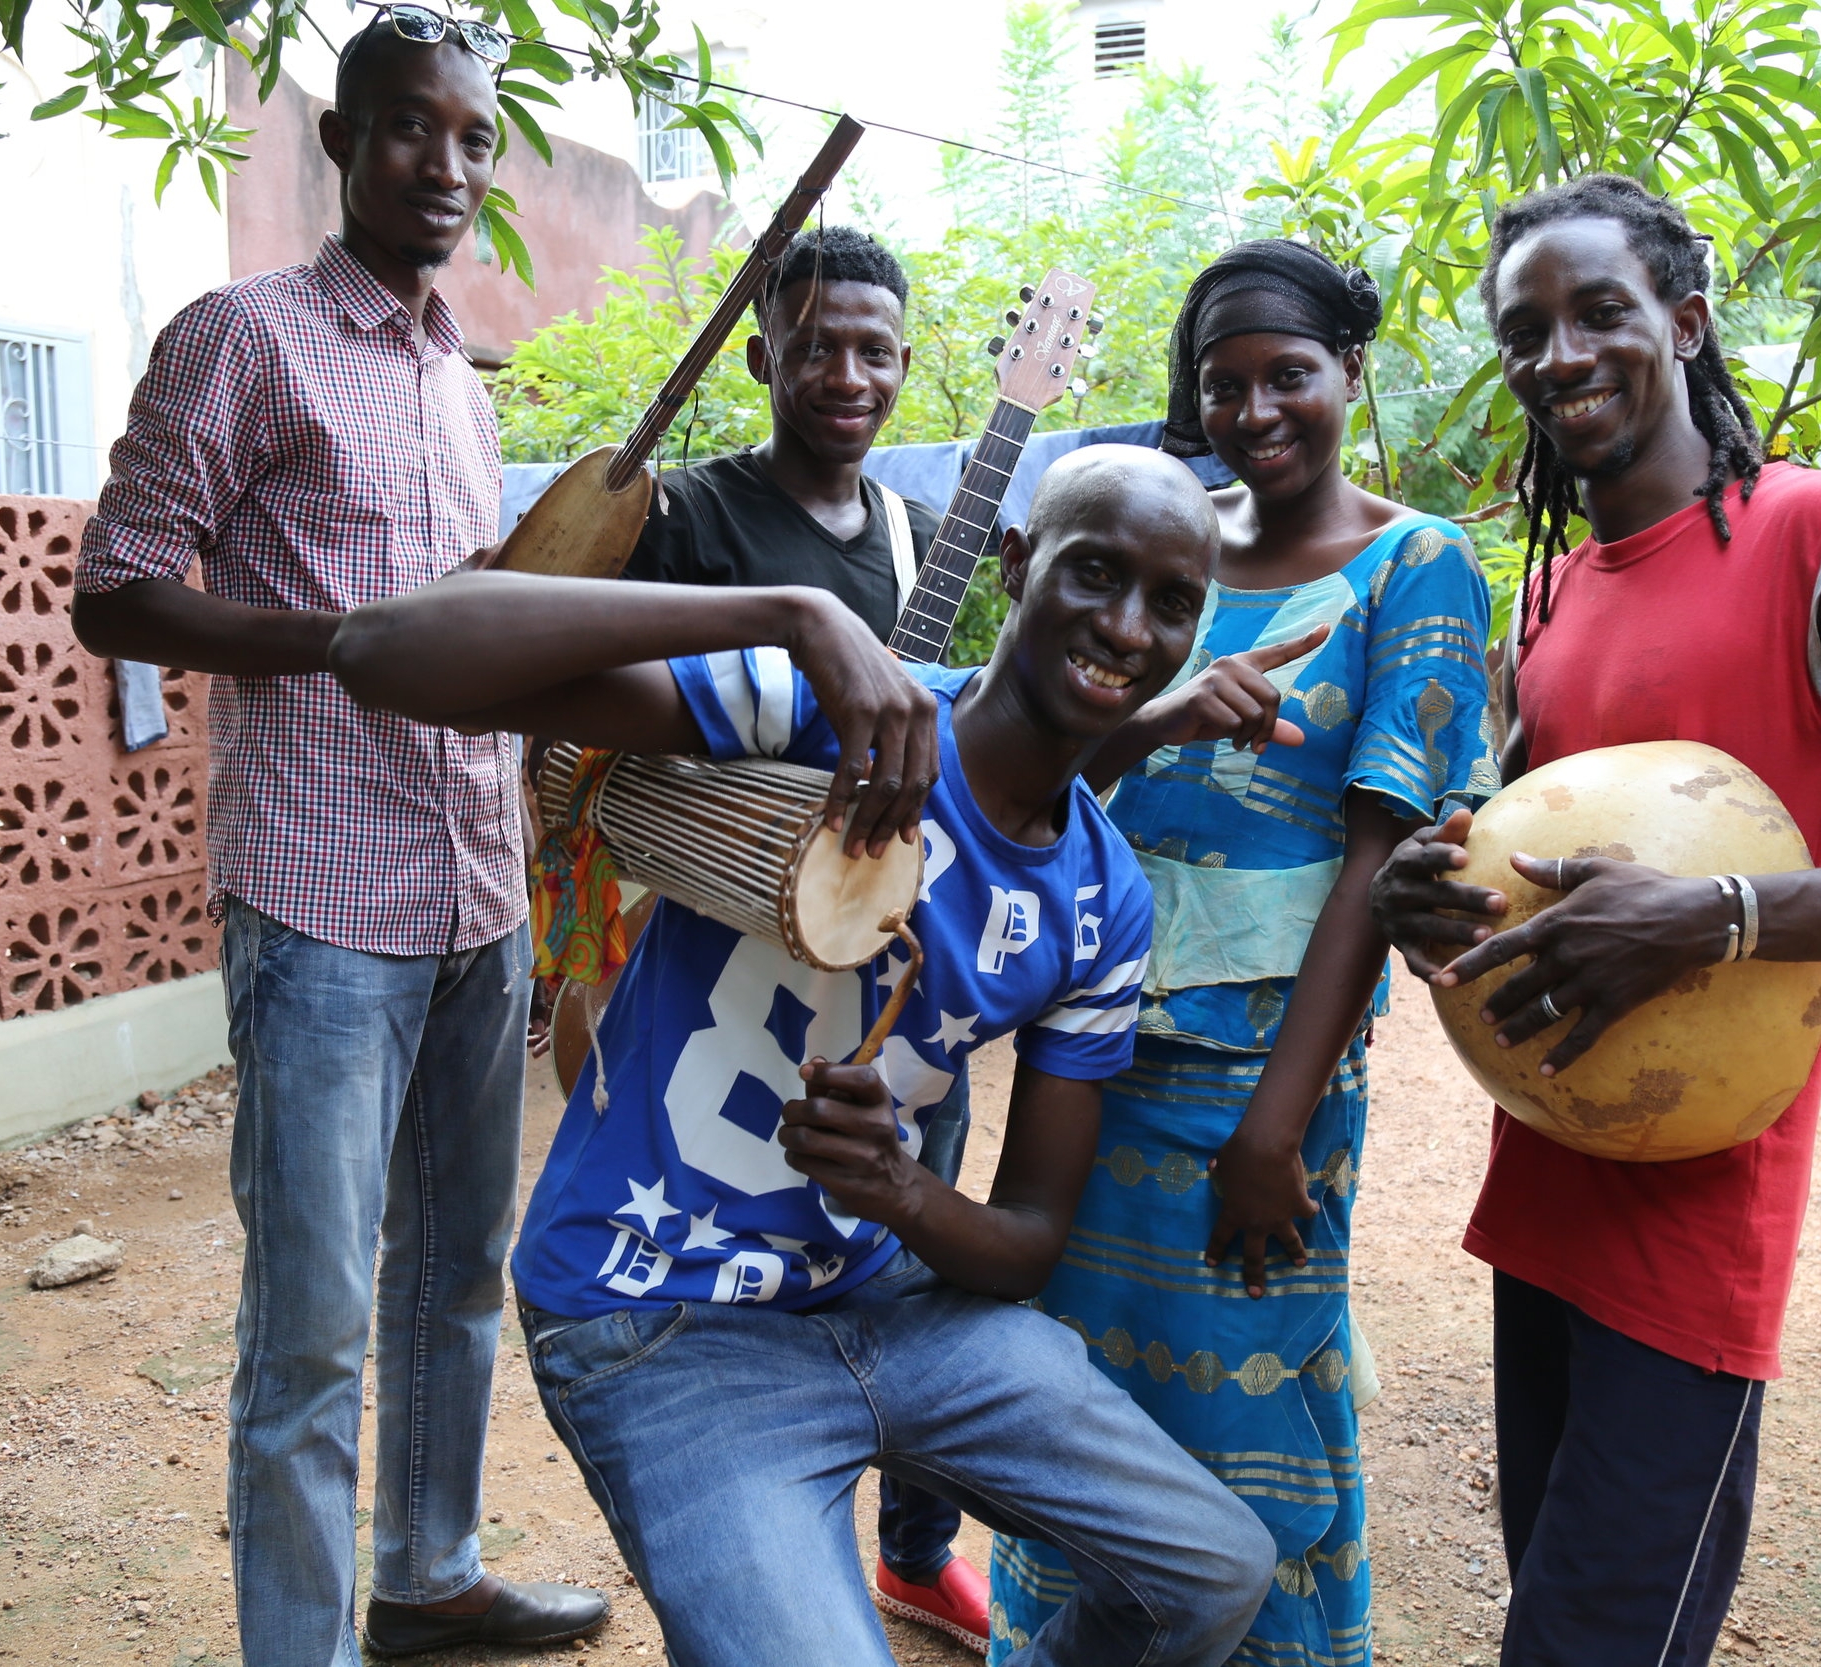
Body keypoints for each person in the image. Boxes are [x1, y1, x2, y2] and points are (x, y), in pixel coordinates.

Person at [328, 445, 1286, 1667]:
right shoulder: (836, 706)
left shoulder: (1103, 899)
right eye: (1094, 571)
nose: (1127, 626)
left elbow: (1031, 1237)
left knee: (1215, 1567)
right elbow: (385, 648)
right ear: (1015, 562)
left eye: (1171, 602)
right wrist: (793, 608)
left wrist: (901, 1191)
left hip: (874, 1300)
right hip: (656, 1309)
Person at [1367, 175, 1821, 1665]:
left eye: (1597, 311)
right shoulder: (1549, 596)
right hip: (1540, 1191)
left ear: (1682, 322)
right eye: (1523, 330)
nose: (1556, 352)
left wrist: (1725, 914)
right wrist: (1423, 900)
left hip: (1694, 1238)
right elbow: (1537, 880)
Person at [71, 17, 609, 1663]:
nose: (440, 168)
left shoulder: (459, 371)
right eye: (403, 133)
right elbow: (117, 586)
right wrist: (333, 641)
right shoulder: (244, 340)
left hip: (470, 895)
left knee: (454, 1274)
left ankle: (427, 1573)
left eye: (467, 137)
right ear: (338, 141)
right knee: (308, 1330)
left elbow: (487, 626)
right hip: (319, 913)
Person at [984, 241, 1498, 1667]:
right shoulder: (1163, 533)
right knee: (1073, 1409)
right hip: (1083, 1057)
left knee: (1246, 1417)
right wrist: (1154, 718)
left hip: (1251, 1084)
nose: (1254, 410)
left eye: (1287, 376)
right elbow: (1033, 763)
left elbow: (1377, 854)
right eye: (1221, 386)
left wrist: (1274, 1125)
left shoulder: (1418, 563)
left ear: (1350, 374)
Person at [617, 220, 984, 1646]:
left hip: (895, 973)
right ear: (762, 353)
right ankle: (769, 1557)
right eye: (818, 344)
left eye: (875, 349)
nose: (847, 372)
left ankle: (914, 1540)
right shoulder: (689, 516)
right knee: (754, 1253)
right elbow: (619, 726)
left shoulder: (902, 527)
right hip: (735, 959)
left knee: (913, 1245)